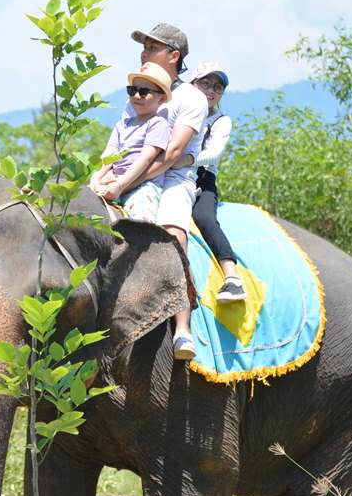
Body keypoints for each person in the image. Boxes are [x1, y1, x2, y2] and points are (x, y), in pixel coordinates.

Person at [120, 23, 210, 361]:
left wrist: (128, 183)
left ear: (174, 56)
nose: (143, 52)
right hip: (134, 172)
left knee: (174, 231)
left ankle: (182, 326)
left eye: (152, 47)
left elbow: (173, 155)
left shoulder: (191, 98)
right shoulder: (140, 91)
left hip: (174, 178)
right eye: (143, 46)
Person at [190, 62, 246, 303]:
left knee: (204, 217)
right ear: (192, 85)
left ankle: (232, 277)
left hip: (202, 176)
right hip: (171, 173)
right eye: (205, 83)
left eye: (218, 87)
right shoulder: (178, 112)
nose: (211, 90)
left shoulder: (221, 121)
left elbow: (213, 154)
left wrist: (179, 161)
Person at [90, 62, 172, 222]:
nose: (136, 96)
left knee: (142, 221)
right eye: (132, 90)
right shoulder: (122, 125)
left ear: (161, 98)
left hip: (143, 185)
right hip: (114, 179)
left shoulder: (157, 123)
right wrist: (97, 176)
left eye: (144, 92)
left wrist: (121, 185)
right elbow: (109, 155)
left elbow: (146, 158)